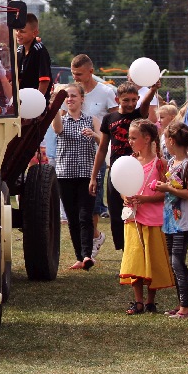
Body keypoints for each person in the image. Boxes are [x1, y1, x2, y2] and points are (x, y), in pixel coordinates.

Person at [90, 81, 158, 251]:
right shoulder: (109, 119)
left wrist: (153, 89)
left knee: (136, 210)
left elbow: (145, 104)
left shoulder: (138, 116)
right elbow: (102, 149)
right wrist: (94, 177)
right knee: (116, 213)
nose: (130, 104)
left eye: (134, 100)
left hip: (136, 171)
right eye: (126, 100)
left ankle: (138, 248)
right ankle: (124, 251)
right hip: (116, 172)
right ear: (117, 99)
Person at [119, 119, 174, 314]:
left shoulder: (160, 164)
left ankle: (151, 301)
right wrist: (126, 198)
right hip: (133, 219)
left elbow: (166, 193)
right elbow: (122, 187)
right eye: (129, 137)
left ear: (147, 138)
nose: (130, 141)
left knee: (153, 261)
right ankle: (138, 301)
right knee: (135, 260)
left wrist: (145, 199)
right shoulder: (129, 162)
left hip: (153, 220)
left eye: (134, 138)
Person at [71, 54, 119, 256]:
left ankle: (90, 243)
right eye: (73, 74)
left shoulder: (106, 92)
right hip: (74, 154)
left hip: (97, 154)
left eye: (79, 74)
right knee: (76, 204)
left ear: (91, 71)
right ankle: (96, 236)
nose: (76, 78)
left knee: (92, 201)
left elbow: (116, 120)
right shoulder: (73, 93)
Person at [51, 82, 100, 270]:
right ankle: (80, 257)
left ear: (82, 99)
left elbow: (103, 142)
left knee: (85, 216)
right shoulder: (62, 119)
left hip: (87, 175)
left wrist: (94, 135)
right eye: (67, 97)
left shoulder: (91, 120)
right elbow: (57, 129)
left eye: (73, 96)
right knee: (72, 217)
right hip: (65, 175)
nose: (70, 99)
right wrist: (56, 103)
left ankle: (87, 255)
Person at [156, 121, 188, 319]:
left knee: (178, 262)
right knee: (173, 262)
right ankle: (181, 303)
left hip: (182, 222)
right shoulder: (173, 162)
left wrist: (167, 188)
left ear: (172, 141)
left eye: (165, 139)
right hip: (170, 220)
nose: (164, 142)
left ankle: (186, 307)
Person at [14, 13, 52, 100]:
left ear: (34, 33)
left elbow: (44, 80)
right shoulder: (19, 50)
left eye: (22, 31)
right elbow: (18, 79)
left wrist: (37, 101)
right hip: (22, 100)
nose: (18, 34)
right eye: (17, 30)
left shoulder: (39, 50)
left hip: (35, 102)